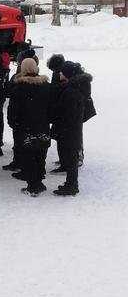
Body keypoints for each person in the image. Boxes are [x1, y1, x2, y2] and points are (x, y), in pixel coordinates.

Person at [7, 58, 51, 196]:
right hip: (42, 125)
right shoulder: (46, 86)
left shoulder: (19, 88)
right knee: (41, 153)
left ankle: (33, 185)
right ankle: (39, 180)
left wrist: (13, 123)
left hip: (24, 126)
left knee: (28, 155)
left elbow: (13, 109)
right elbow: (51, 107)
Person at [51, 61, 91, 196]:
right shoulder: (74, 87)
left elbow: (67, 112)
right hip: (72, 128)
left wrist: (56, 114)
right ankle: (70, 182)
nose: (59, 74)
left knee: (71, 155)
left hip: (69, 128)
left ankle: (71, 186)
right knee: (71, 154)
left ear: (68, 74)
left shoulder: (71, 91)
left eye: (62, 72)